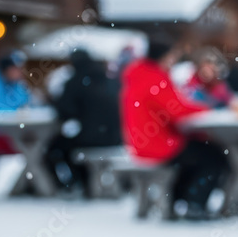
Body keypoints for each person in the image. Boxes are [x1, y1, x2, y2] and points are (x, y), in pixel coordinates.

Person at [120, 36, 224, 220]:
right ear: (162, 57)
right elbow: (177, 110)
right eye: (172, 56)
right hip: (158, 144)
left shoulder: (140, 76)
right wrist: (207, 109)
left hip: (141, 143)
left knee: (199, 151)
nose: (173, 61)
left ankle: (182, 198)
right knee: (214, 155)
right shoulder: (154, 78)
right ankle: (194, 204)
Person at [50, 49, 123, 193]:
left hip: (90, 138)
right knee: (69, 146)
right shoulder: (110, 80)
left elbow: (64, 111)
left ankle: (74, 183)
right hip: (116, 137)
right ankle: (83, 182)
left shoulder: (75, 82)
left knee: (53, 149)